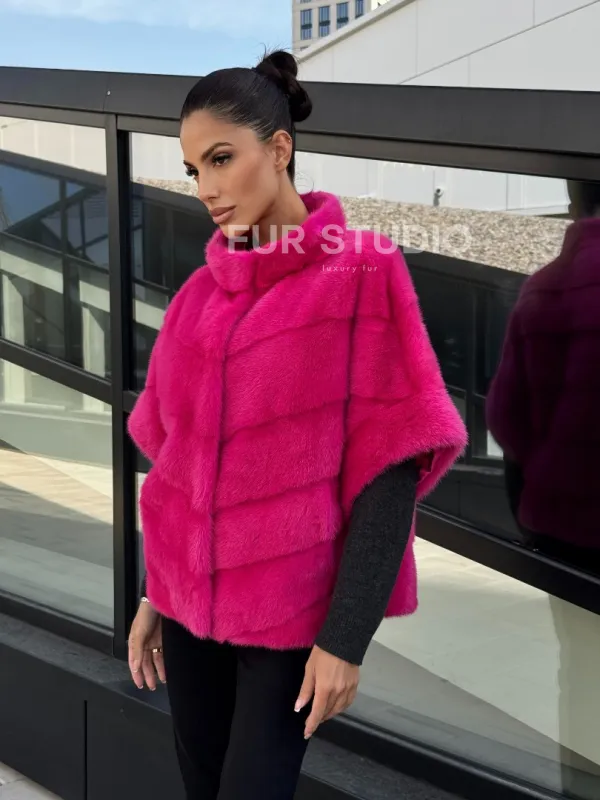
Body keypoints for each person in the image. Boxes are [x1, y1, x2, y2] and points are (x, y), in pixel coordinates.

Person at [126, 49, 466, 800]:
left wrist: (346, 638)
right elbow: (173, 464)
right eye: (194, 169)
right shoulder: (197, 298)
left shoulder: (361, 271)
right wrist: (155, 593)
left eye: (221, 159)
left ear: (279, 149)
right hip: (184, 610)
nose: (207, 189)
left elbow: (391, 467)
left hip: (289, 620)